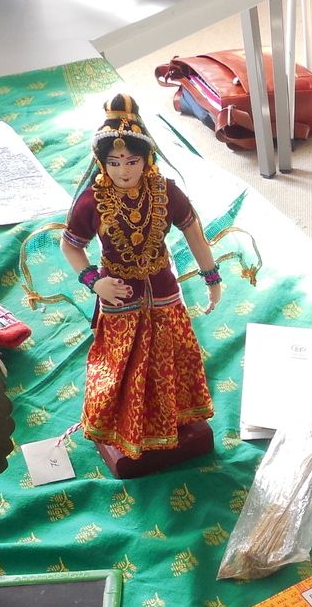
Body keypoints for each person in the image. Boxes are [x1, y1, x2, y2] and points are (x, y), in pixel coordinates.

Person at [59, 94, 223, 477]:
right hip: (119, 295)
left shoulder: (165, 191)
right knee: (122, 363)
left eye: (131, 161)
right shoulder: (92, 201)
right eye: (114, 163)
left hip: (164, 290)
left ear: (146, 159)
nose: (123, 171)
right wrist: (94, 281)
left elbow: (194, 232)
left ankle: (174, 419)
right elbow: (70, 246)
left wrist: (211, 277)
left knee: (174, 355)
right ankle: (125, 428)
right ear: (101, 163)